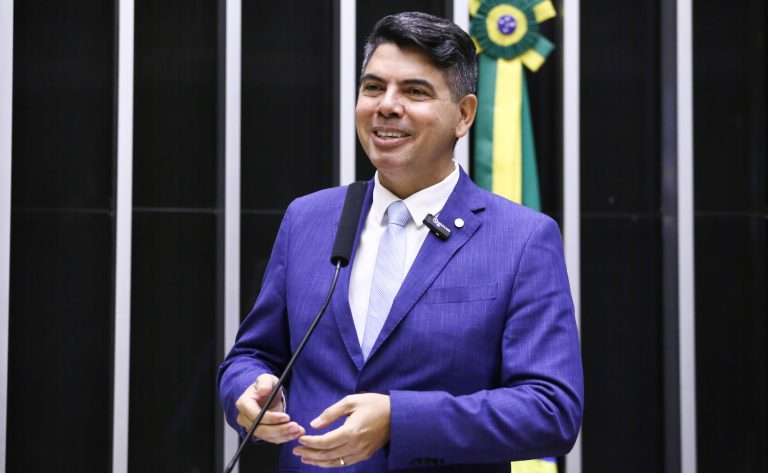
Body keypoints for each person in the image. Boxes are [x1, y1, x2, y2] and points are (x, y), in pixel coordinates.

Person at [218, 11, 583, 472]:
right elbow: (252, 355)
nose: (387, 106)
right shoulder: (308, 219)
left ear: (464, 115)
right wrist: (247, 390)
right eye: (373, 87)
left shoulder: (522, 238)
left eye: (415, 92)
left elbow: (551, 410)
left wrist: (400, 419)